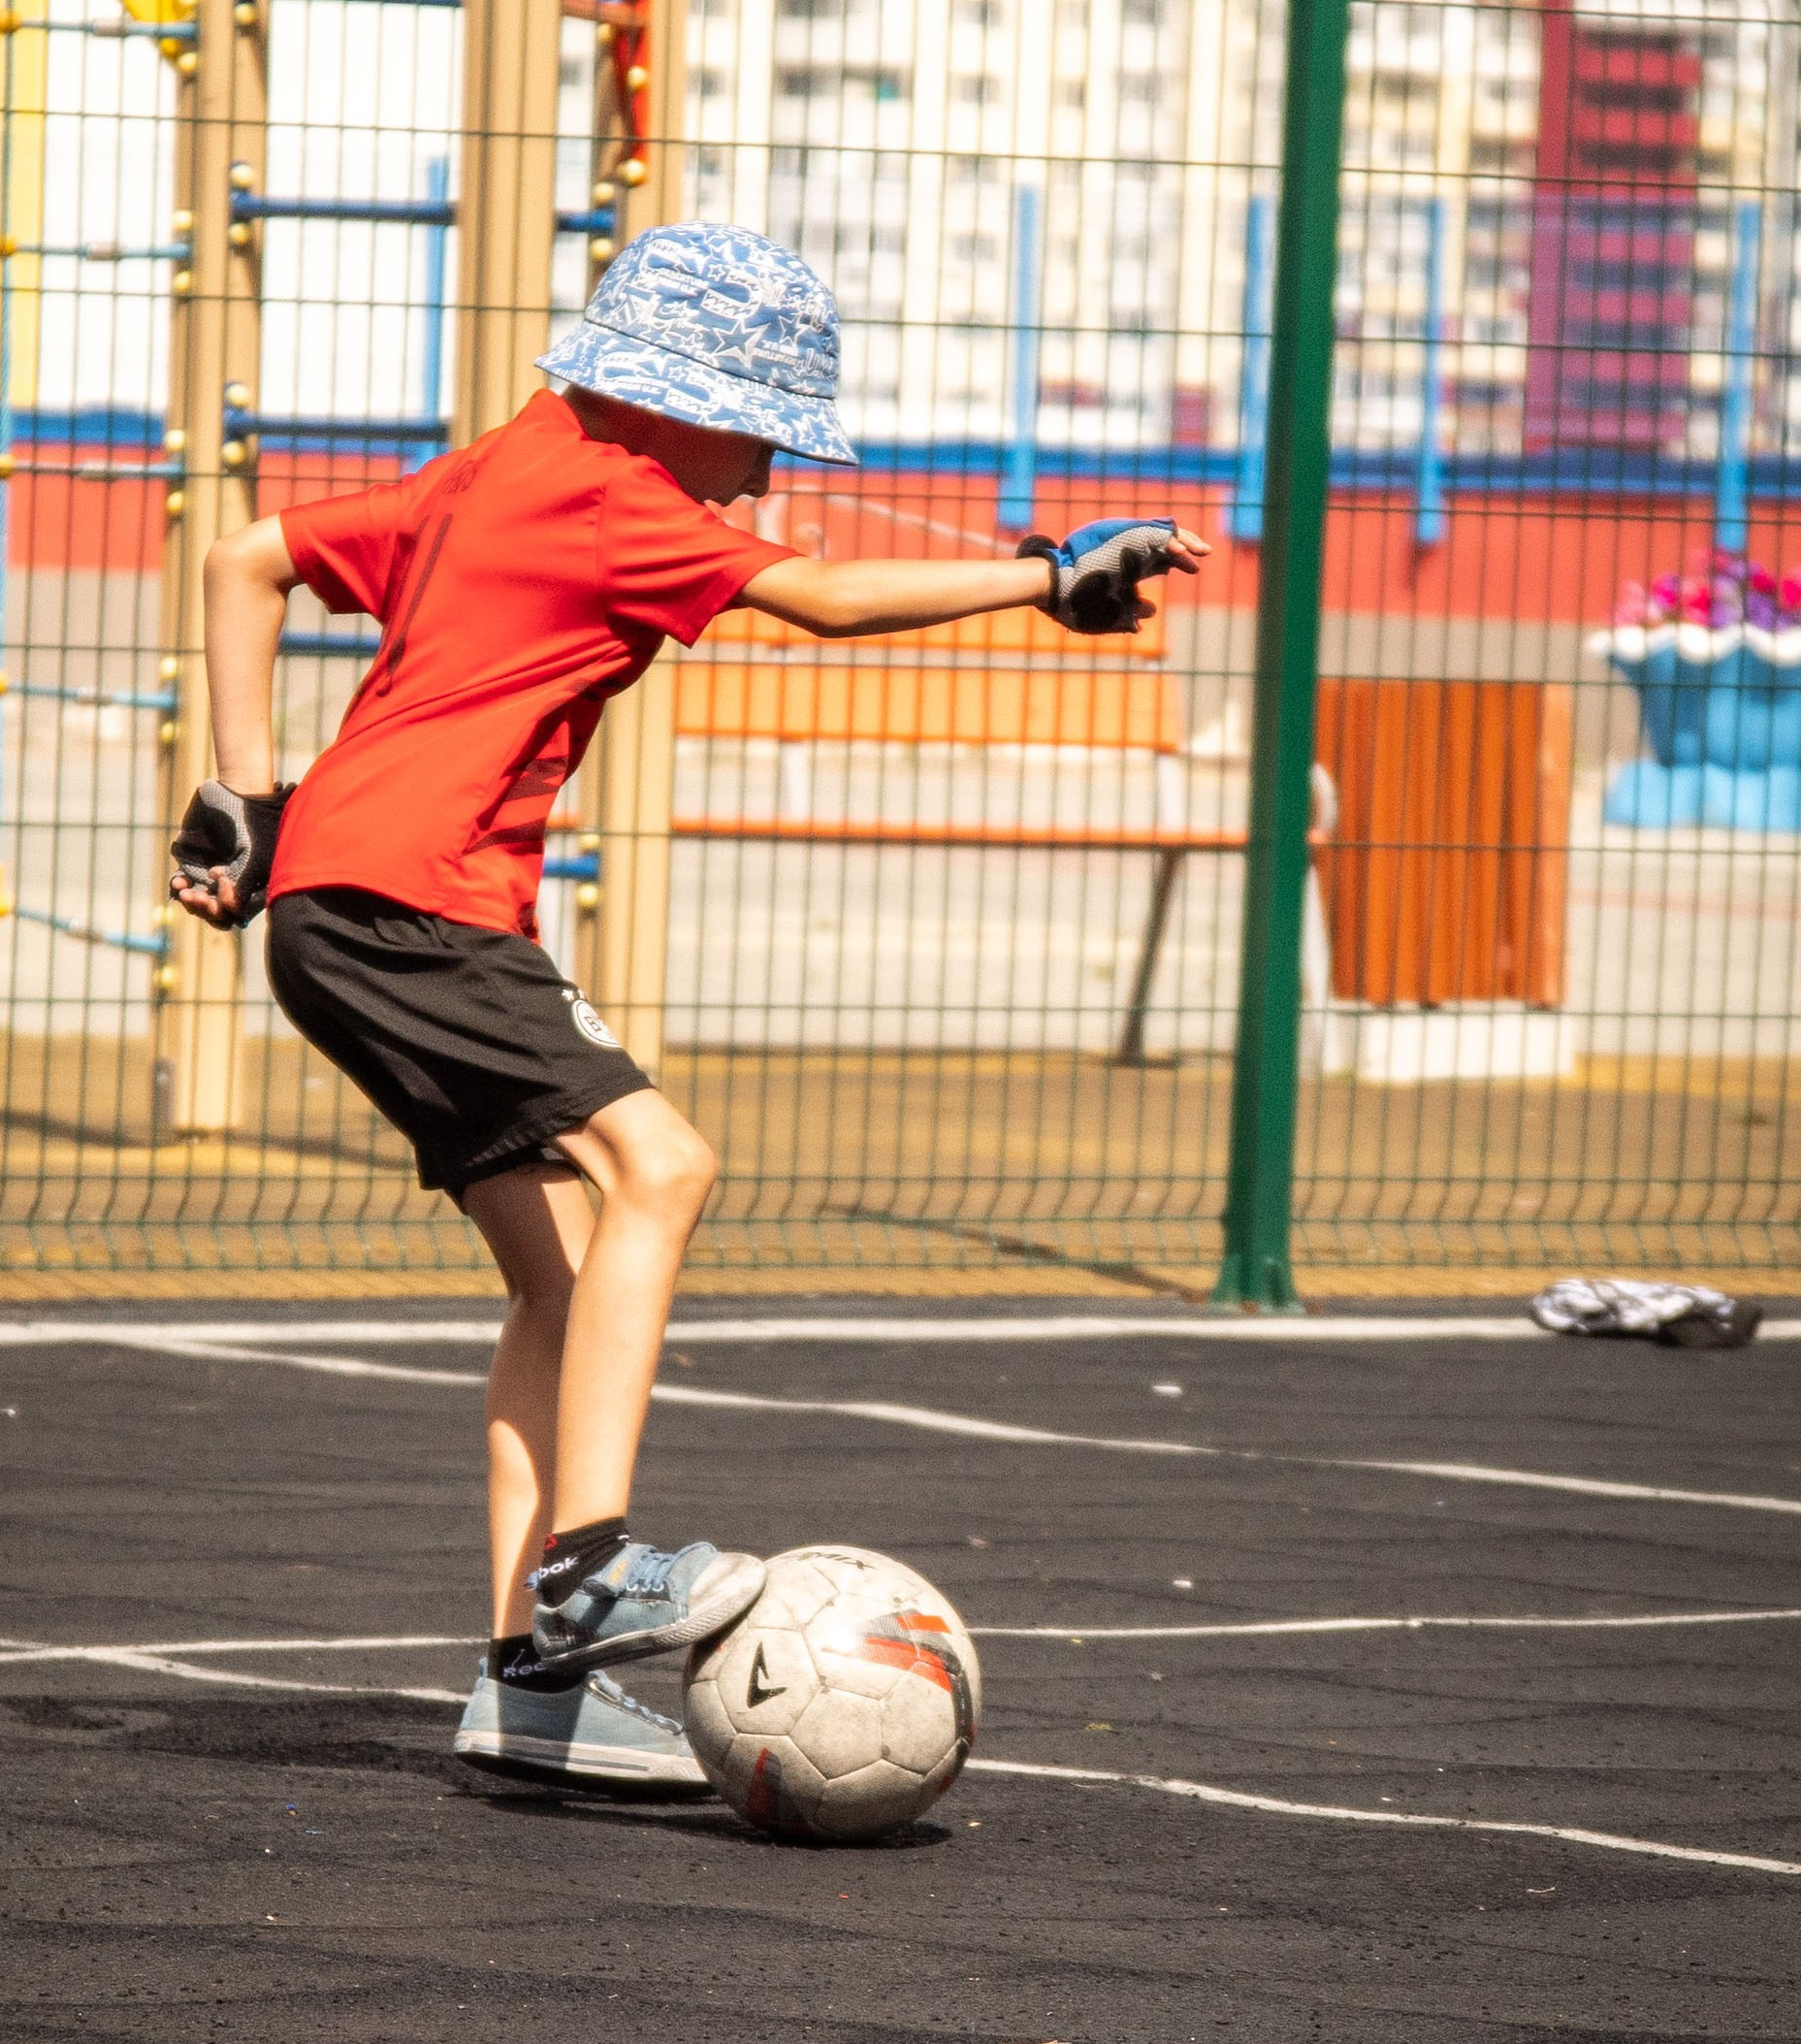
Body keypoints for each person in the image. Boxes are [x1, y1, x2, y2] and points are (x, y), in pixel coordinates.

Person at [170, 221, 1207, 1791]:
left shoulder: (495, 465)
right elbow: (833, 600)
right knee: (664, 1164)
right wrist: (1042, 575)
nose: (764, 471)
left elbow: (242, 556)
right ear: (673, 402)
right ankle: (589, 1568)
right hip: (416, 901)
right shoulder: (612, 492)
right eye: (757, 432)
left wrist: (242, 794)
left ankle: (525, 1681)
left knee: (557, 1279)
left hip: (330, 906)